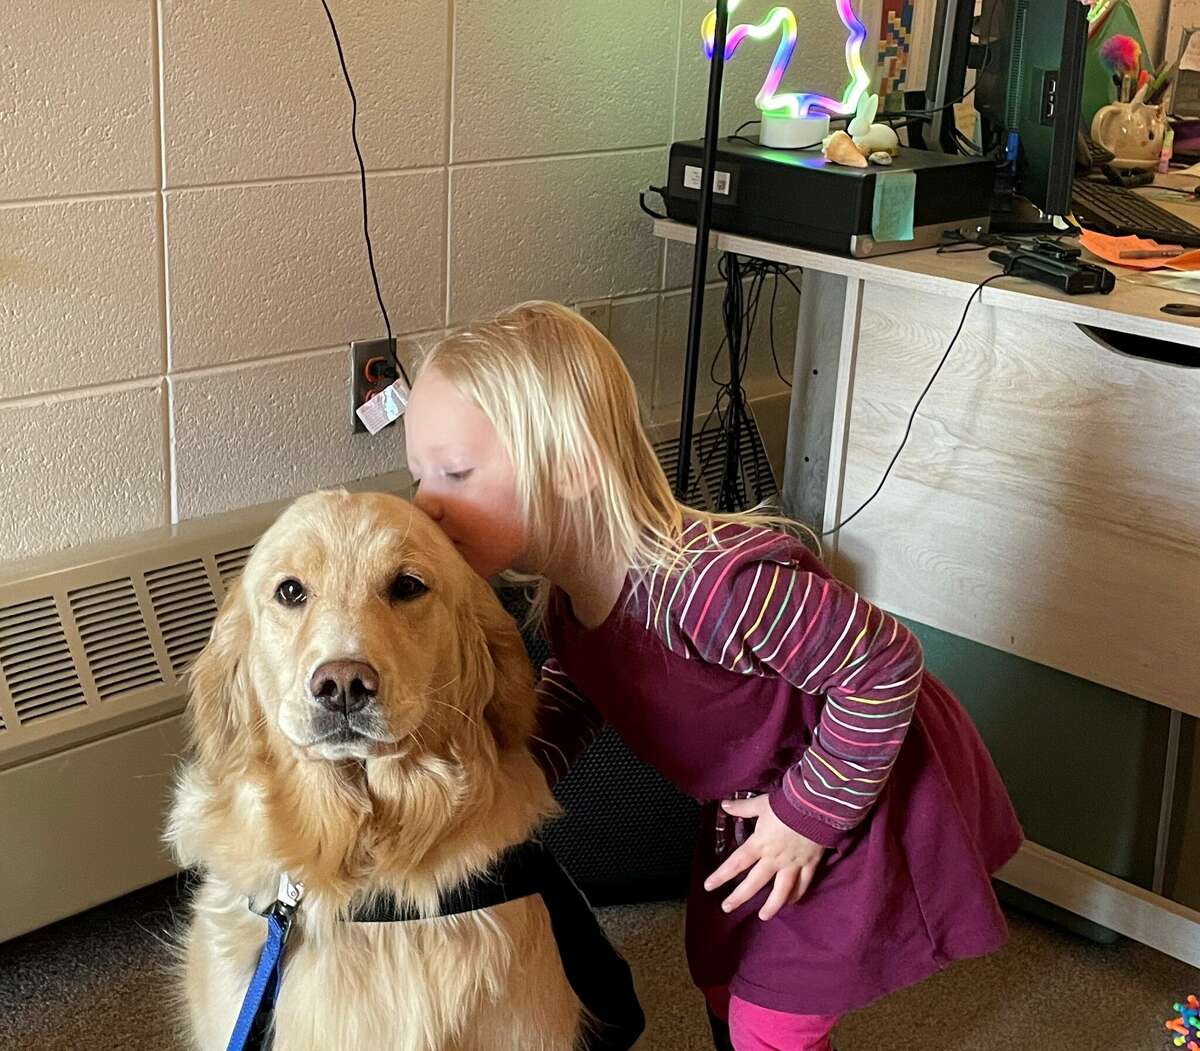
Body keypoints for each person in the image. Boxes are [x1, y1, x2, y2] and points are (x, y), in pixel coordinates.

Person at [403, 300, 1024, 1051]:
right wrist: (511, 774)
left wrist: (805, 816)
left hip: (849, 781)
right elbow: (584, 683)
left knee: (774, 1020)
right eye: (420, 476)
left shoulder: (715, 589)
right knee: (724, 975)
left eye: (456, 473)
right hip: (748, 799)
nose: (425, 506)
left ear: (570, 466)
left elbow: (886, 667)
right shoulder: (568, 597)